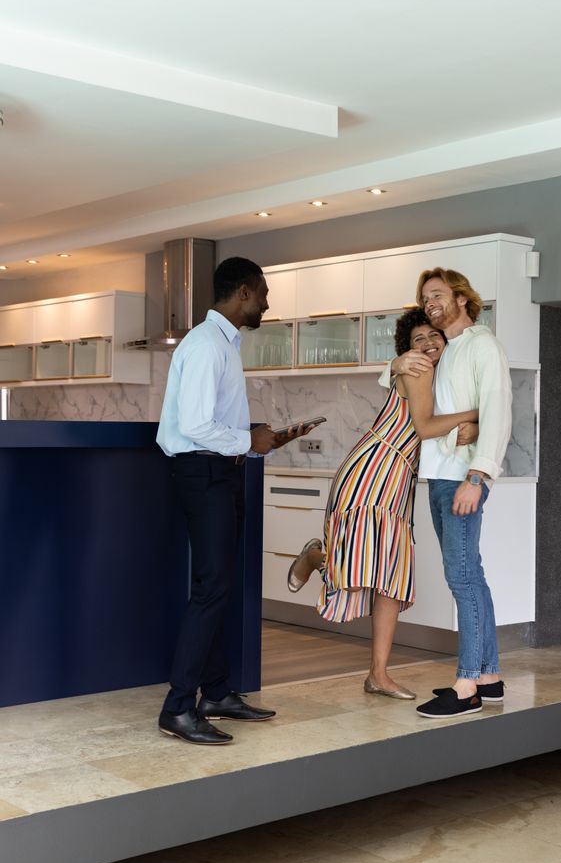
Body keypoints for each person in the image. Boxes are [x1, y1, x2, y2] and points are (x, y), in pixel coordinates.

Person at [286, 308, 479, 700]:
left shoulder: (445, 376)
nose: (426, 345)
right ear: (407, 350)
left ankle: (378, 674)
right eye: (417, 340)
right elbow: (425, 427)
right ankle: (318, 557)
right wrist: (478, 414)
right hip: (373, 470)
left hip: (398, 478)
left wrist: (469, 426)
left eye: (432, 336)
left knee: (389, 572)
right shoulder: (418, 369)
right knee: (370, 563)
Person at [156, 257, 308, 745]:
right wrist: (247, 439)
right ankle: (178, 707)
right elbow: (195, 425)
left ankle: (216, 693)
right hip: (203, 473)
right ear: (243, 291)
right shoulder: (205, 346)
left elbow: (210, 422)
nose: (267, 301)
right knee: (211, 589)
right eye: (263, 292)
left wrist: (253, 437)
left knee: (219, 586)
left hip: (219, 471)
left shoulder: (222, 343)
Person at [387, 267, 512, 719]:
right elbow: (407, 387)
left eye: (437, 294)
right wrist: (395, 364)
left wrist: (478, 477)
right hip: (438, 476)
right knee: (470, 574)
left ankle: (466, 687)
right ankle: (489, 676)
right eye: (425, 297)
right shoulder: (443, 348)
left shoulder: (483, 345)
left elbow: (499, 410)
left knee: (461, 577)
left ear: (462, 298)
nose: (429, 302)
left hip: (463, 478)